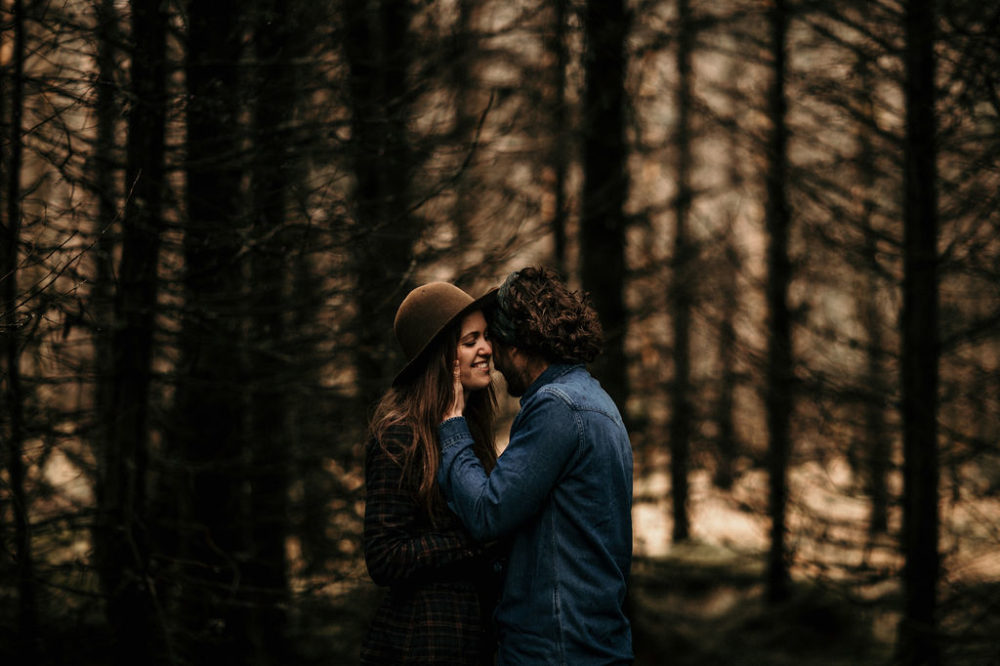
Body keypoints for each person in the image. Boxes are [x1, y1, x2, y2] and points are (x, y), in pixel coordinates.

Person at [438, 266, 634, 665]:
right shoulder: (597, 401)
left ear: (518, 344)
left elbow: (486, 511)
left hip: (556, 649)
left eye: (493, 338)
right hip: (592, 643)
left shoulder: (556, 408)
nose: (491, 354)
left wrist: (453, 425)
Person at [361, 281, 502, 665]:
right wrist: (476, 541)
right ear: (441, 356)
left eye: (486, 337)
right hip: (423, 639)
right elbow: (384, 556)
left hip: (476, 636)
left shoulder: (470, 426)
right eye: (470, 340)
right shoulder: (400, 434)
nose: (486, 349)